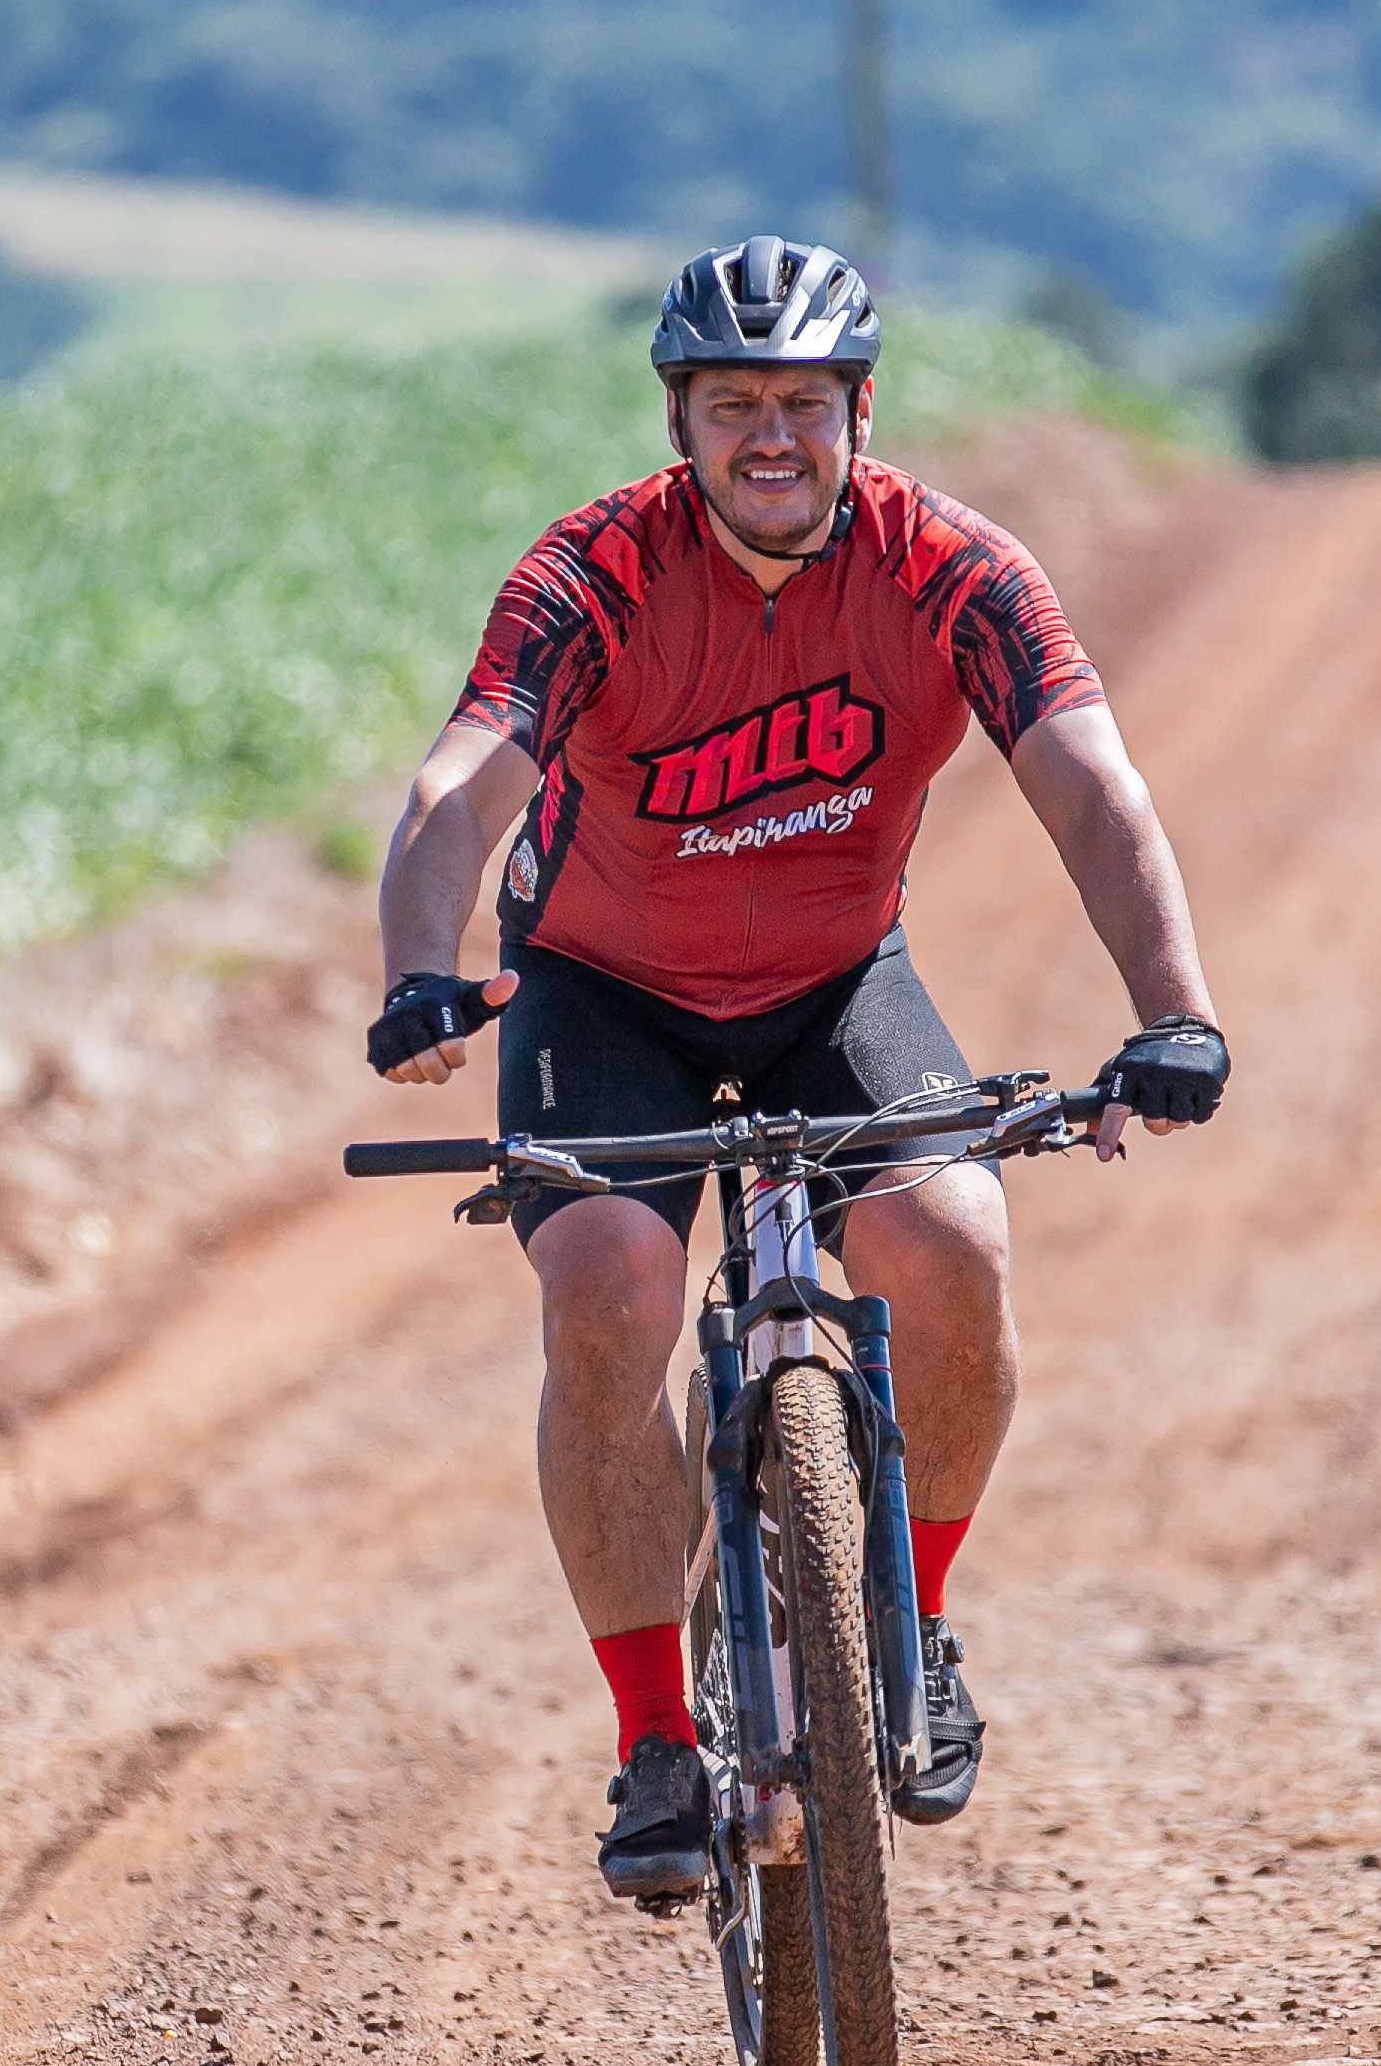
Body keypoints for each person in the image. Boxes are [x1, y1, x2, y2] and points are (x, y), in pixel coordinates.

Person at [368, 238, 1227, 1900]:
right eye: (733, 404)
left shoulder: (954, 569)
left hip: (835, 988)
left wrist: (1174, 1011)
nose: (771, 436)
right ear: (678, 420)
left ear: (861, 412)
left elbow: (1091, 788)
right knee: (609, 1288)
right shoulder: (592, 575)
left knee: (953, 1246)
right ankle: (654, 1741)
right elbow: (460, 788)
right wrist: (418, 967)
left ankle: (917, 1620)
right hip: (603, 992)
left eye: (805, 404)